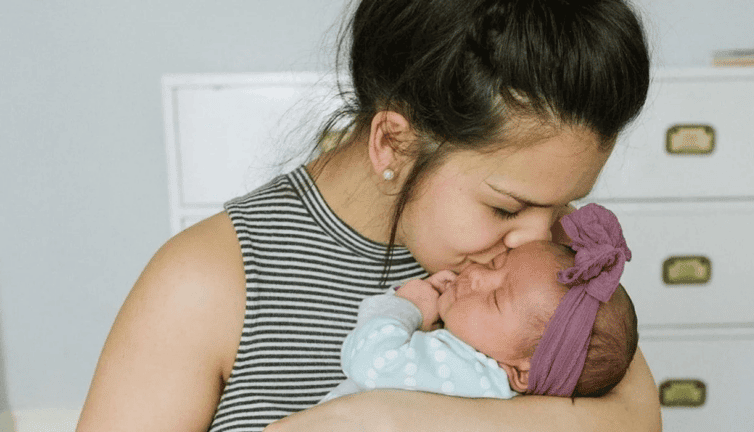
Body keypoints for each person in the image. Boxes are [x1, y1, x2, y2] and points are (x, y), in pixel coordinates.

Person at [76, 0, 661, 431]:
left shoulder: (538, 268)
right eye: (505, 206)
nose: (542, 234)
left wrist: (377, 417)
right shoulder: (207, 281)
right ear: (394, 144)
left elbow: (636, 418)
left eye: (564, 203)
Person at [320, 204, 637, 403]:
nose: (476, 278)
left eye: (496, 298)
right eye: (494, 264)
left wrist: (409, 306)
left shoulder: (473, 374)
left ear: (522, 373)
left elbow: (371, 362)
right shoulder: (479, 378)